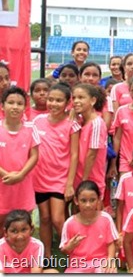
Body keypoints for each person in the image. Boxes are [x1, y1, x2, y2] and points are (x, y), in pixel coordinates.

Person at [32, 83, 80, 258]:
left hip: (60, 179)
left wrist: (69, 184)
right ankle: (45, 255)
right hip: (39, 178)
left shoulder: (72, 124)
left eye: (59, 100)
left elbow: (75, 155)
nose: (53, 104)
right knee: (44, 218)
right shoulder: (37, 121)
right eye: (51, 99)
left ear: (68, 102)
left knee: (58, 219)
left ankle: (74, 254)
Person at [0, 86, 40, 231]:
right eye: (11, 102)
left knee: (23, 224)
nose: (15, 107)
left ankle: (22, 254)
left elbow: (34, 155)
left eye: (19, 103)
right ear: (2, 106)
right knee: (2, 225)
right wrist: (7, 175)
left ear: (25, 107)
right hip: (3, 186)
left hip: (23, 186)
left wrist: (21, 175)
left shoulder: (30, 128)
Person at [60, 180, 118, 273]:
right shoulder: (69, 223)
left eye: (92, 200)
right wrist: (70, 247)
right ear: (76, 201)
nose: (88, 205)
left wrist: (110, 260)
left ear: (99, 199)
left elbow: (111, 243)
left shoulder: (106, 218)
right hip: (77, 265)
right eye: (83, 200)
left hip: (101, 262)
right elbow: (64, 250)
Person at [72, 83, 108, 199]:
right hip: (77, 177)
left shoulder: (97, 123)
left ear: (92, 101)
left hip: (91, 179)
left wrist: (84, 181)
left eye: (81, 97)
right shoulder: (79, 121)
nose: (76, 101)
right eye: (74, 98)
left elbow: (92, 154)